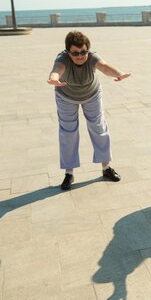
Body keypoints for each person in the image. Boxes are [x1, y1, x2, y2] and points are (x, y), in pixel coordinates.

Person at [47, 30, 131, 190]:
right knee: (68, 132)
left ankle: (106, 168)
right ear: (67, 52)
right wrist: (53, 79)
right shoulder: (62, 58)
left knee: (99, 127)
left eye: (83, 52)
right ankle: (69, 173)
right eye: (75, 53)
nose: (80, 56)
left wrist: (119, 73)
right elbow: (57, 70)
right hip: (66, 96)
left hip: (91, 94)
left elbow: (104, 67)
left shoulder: (92, 57)